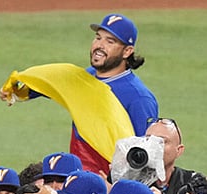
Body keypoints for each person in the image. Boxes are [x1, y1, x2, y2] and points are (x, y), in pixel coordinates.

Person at [65, 14, 158, 175]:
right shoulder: (87, 77)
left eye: (110, 41)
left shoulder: (138, 98)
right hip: (78, 175)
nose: (99, 46)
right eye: (98, 38)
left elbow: (145, 157)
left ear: (127, 51)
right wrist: (22, 91)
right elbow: (56, 84)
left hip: (109, 186)